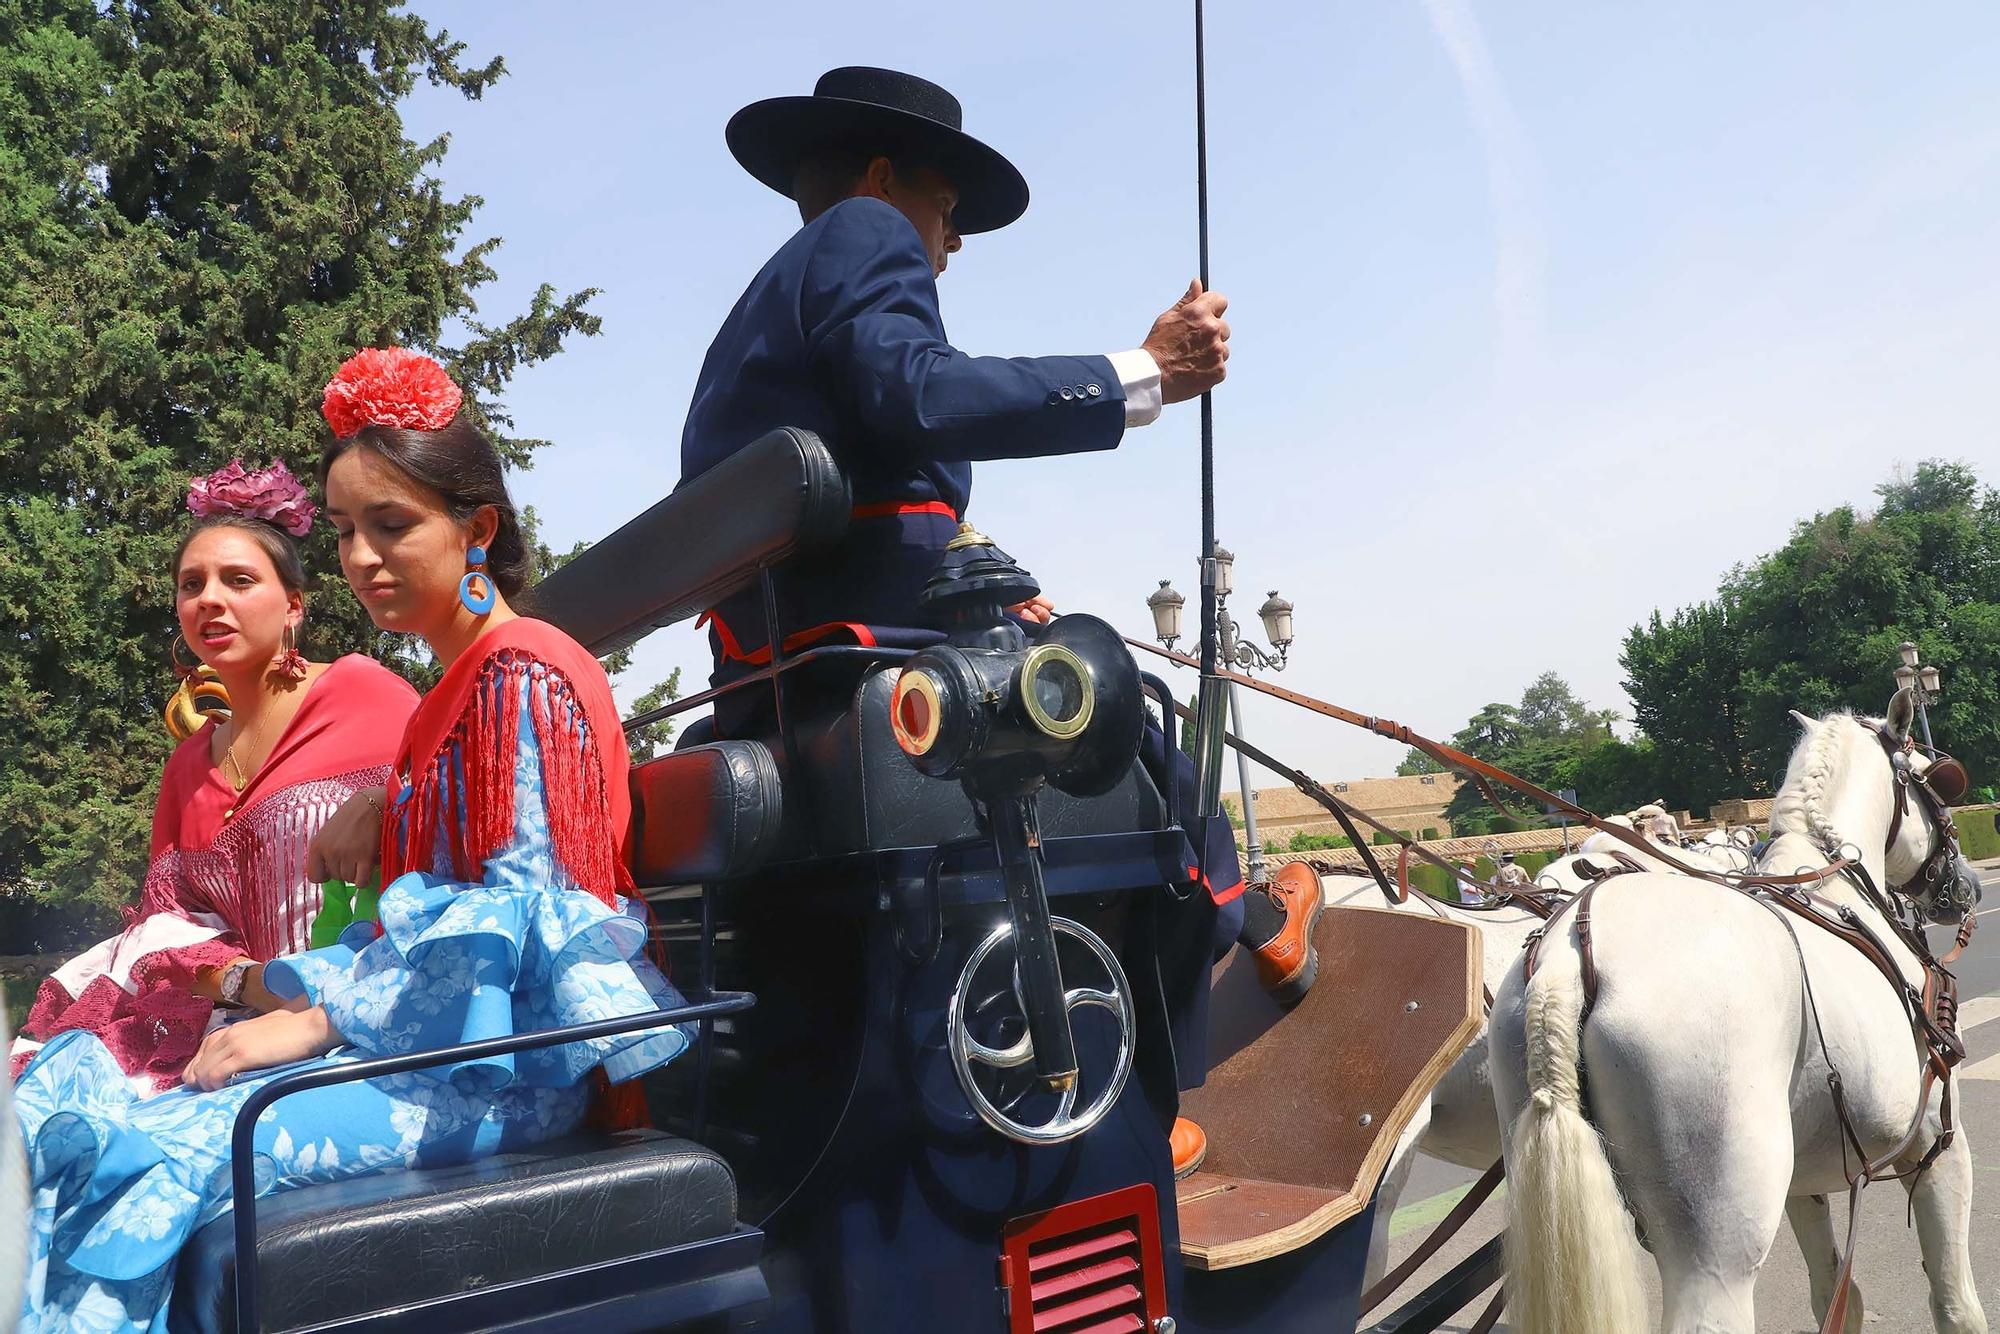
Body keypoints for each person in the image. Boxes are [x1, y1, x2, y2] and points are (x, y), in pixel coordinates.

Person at [682, 66, 1318, 1181]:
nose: (952, 240)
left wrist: (981, 581)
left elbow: (876, 501)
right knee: (1130, 713)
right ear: (884, 180)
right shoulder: (862, 234)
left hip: (785, 660)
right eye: (948, 205)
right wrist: (1145, 372)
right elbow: (913, 393)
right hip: (865, 662)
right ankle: (1201, 995)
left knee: (1054, 649)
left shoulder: (759, 317)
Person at [11, 349, 692, 1332]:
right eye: (342, 531)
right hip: (442, 1042)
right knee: (112, 1119)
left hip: (521, 1065)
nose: (362, 558)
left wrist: (313, 1022)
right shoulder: (440, 703)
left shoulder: (521, 676)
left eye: (392, 523)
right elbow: (399, 939)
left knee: (190, 1145)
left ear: (476, 528)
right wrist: (257, 990)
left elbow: (503, 931)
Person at [9, 462, 417, 1091]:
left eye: (240, 580)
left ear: (294, 606)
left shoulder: (361, 693)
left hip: (367, 1018)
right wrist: (251, 984)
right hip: (235, 1035)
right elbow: (164, 931)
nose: (210, 600)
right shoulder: (187, 768)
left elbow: (453, 802)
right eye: (191, 584)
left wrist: (376, 799)